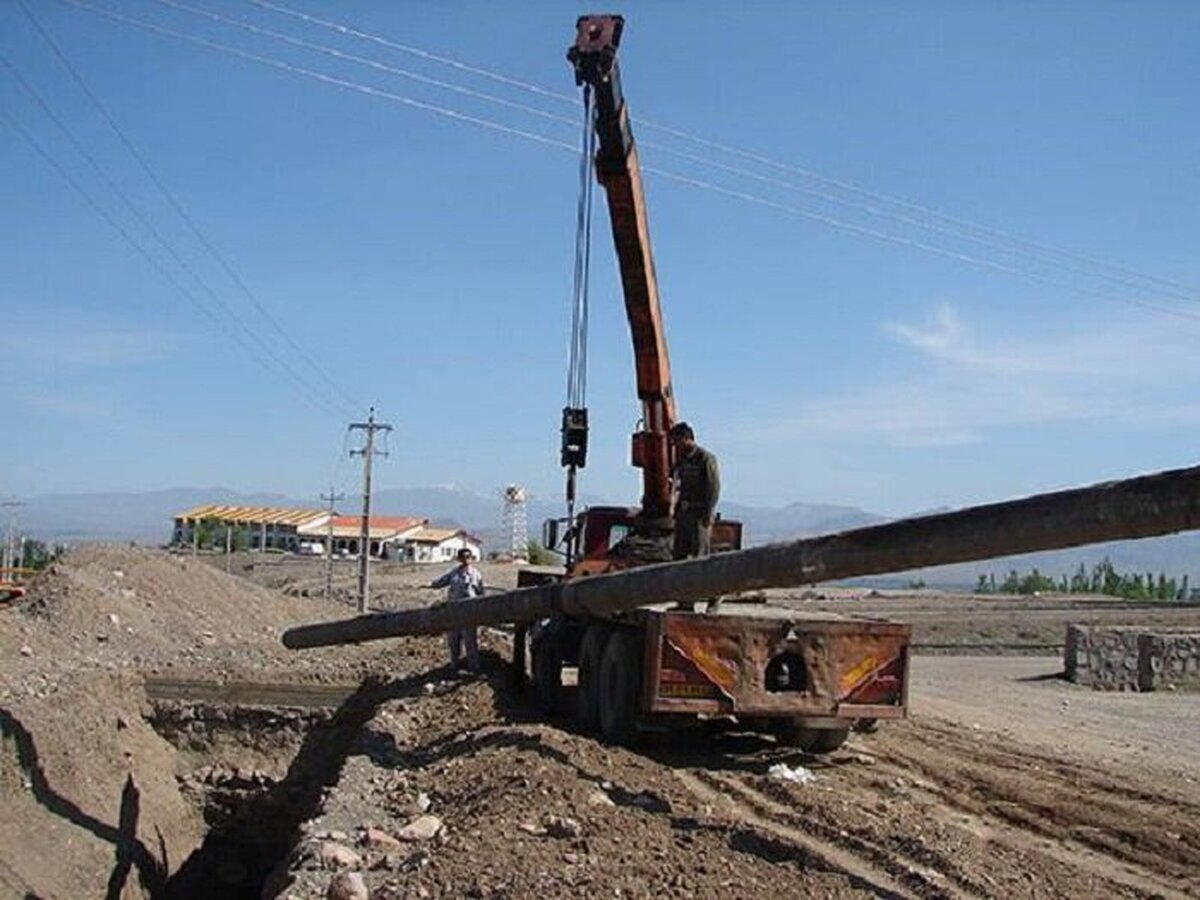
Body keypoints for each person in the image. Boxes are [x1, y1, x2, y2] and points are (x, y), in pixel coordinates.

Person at [670, 421, 722, 613]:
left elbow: (713, 487)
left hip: (699, 515)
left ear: (686, 438)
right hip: (684, 515)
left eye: (676, 441)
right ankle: (685, 603)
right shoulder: (683, 461)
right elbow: (677, 485)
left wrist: (708, 514)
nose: (675, 445)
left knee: (701, 559)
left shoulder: (705, 459)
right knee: (680, 559)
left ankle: (715, 596)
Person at [430, 547, 484, 673]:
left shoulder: (476, 574)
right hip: (453, 612)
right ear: (459, 559)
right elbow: (441, 582)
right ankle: (454, 666)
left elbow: (481, 593)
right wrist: (431, 584)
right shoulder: (454, 573)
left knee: (470, 642)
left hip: (469, 613)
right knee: (453, 641)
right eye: (463, 557)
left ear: (471, 559)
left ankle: (473, 667)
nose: (466, 560)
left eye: (468, 557)